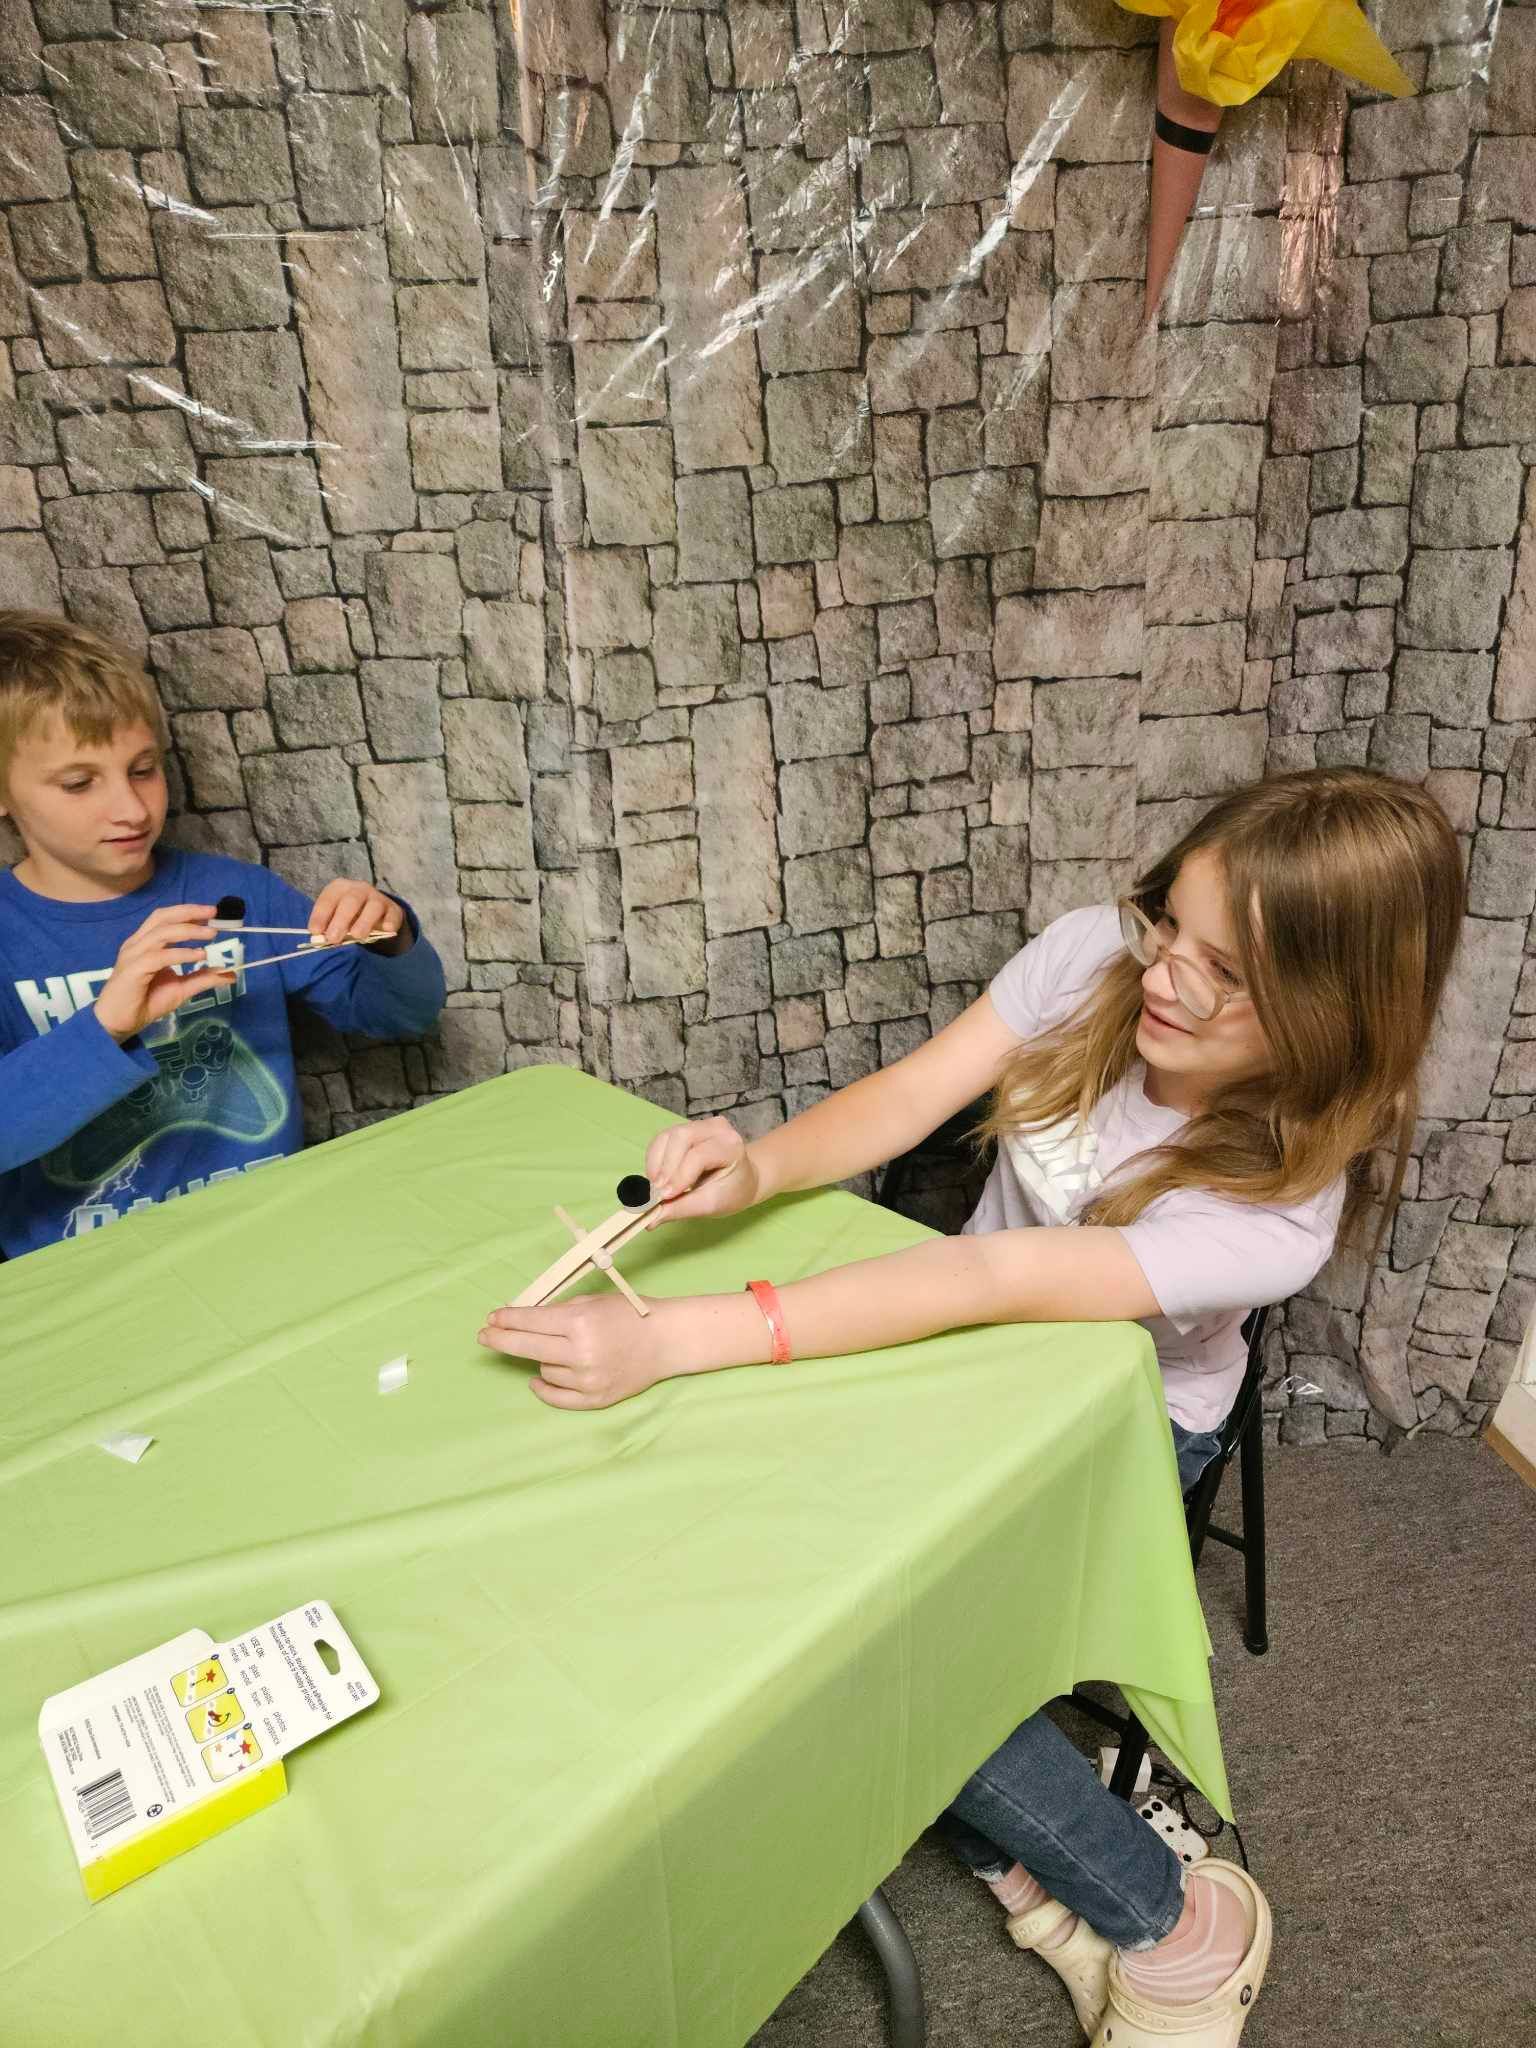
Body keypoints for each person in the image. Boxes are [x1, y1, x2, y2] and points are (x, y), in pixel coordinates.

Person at [479, 766, 1464, 2045]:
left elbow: (985, 1266)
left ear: (1333, 1014)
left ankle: (1171, 1918)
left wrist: (669, 1338)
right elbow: (907, 1097)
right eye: (1172, 921)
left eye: (1226, 973)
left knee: (870, 1640)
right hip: (961, 1351)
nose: (1165, 972)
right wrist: (756, 1166)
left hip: (1117, 1422)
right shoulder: (1096, 962)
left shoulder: (1276, 1214)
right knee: (774, 1576)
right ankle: (1024, 1870)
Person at [0, 610, 446, 1256]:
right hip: (84, 1274)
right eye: (79, 783)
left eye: (144, 768)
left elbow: (405, 1015)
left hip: (266, 1236)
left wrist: (390, 938)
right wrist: (105, 1027)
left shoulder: (233, 895)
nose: (130, 809)